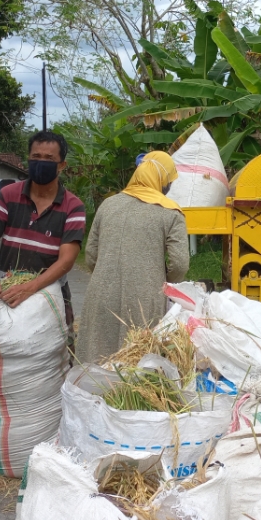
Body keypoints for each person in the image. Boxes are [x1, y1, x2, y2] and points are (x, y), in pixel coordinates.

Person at [76, 151, 190, 364]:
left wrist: (107, 274)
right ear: (162, 181)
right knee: (136, 363)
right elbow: (180, 264)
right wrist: (161, 280)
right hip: (144, 297)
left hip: (101, 291)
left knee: (98, 356)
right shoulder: (171, 213)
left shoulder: (108, 205)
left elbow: (91, 255)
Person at [0, 133, 87, 329]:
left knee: (60, 351)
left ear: (62, 165)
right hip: (9, 288)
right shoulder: (8, 195)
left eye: (49, 159)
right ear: (28, 159)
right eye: (36, 157)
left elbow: (67, 260)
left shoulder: (73, 206)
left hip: (52, 290)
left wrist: (30, 287)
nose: (41, 163)